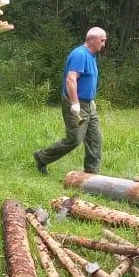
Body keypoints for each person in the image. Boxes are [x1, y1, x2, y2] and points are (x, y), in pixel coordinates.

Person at [34, 27, 107, 175]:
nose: (104, 44)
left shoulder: (91, 56)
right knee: (74, 139)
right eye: (102, 40)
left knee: (95, 139)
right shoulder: (79, 54)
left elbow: (87, 81)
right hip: (76, 103)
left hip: (88, 104)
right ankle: (42, 157)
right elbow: (71, 79)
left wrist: (91, 100)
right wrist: (75, 103)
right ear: (92, 39)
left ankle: (91, 174)